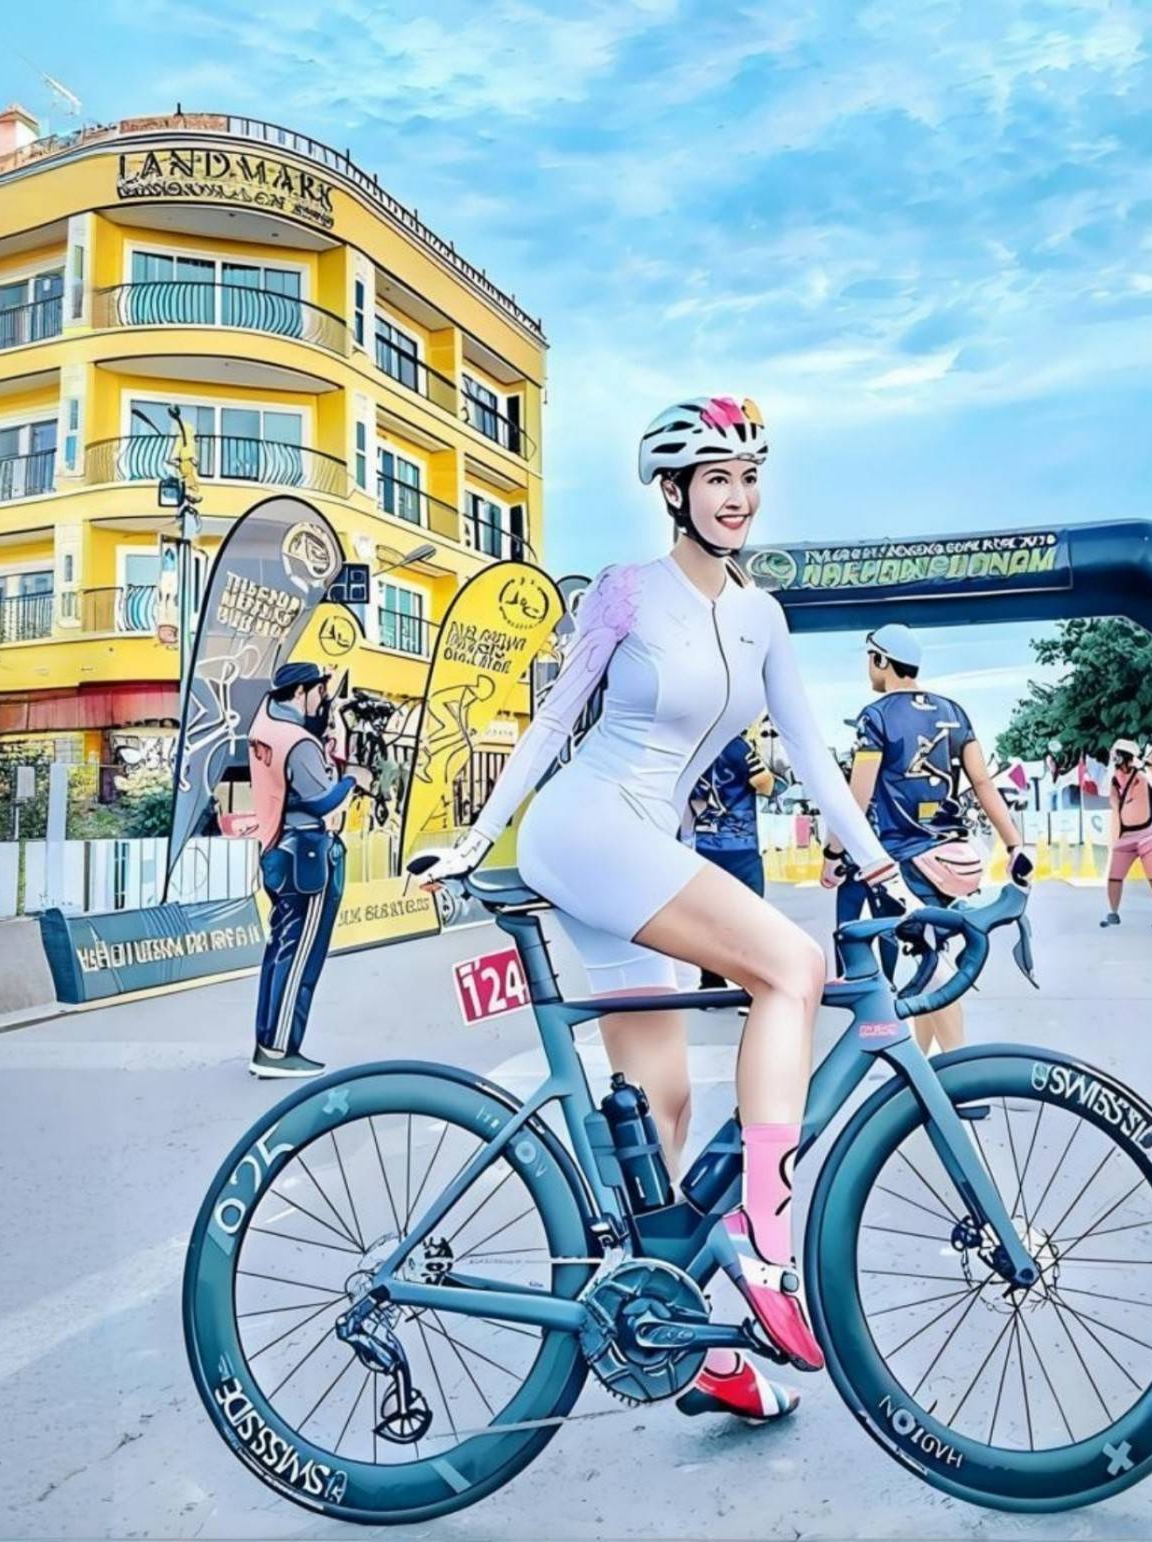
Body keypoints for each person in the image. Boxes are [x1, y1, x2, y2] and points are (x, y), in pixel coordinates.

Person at [414, 396, 909, 1423]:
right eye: (716, 479)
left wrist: (882, 865)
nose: (737, 497)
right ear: (674, 493)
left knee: (666, 1105)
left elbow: (809, 753)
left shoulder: (761, 615)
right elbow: (553, 722)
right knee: (789, 967)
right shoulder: (627, 593)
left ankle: (679, 1337)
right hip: (587, 829)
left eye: (748, 478)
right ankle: (765, 1245)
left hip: (646, 846)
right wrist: (473, 841)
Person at [823, 622, 1030, 1056]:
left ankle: (957, 1075)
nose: (868, 667)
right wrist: (1015, 845)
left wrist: (833, 852)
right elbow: (982, 783)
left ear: (881, 660)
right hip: (952, 860)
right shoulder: (954, 712)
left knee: (933, 967)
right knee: (928, 958)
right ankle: (923, 1067)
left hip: (905, 863)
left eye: (869, 658)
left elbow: (856, 797)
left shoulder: (875, 717)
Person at [247, 662, 372, 1078]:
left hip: (277, 849)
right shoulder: (297, 742)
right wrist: (353, 779)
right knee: (300, 958)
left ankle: (268, 1043)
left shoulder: (266, 728)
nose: (323, 699)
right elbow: (321, 801)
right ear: (302, 692)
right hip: (306, 854)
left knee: (281, 952)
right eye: (319, 691)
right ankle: (279, 1052)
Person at [690, 728, 780, 997]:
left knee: (707, 918)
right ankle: (749, 985)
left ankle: (710, 981)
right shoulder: (737, 745)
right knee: (749, 920)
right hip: (741, 845)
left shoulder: (692, 743)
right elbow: (764, 783)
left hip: (702, 845)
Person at [1101, 737, 1152, 929]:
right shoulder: (1114, 779)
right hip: (1125, 837)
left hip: (1146, 834)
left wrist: (1141, 765)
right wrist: (1110, 767)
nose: (1115, 758)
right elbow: (1103, 791)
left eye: (1118, 755)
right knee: (1114, 876)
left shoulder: (1141, 775)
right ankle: (1113, 913)